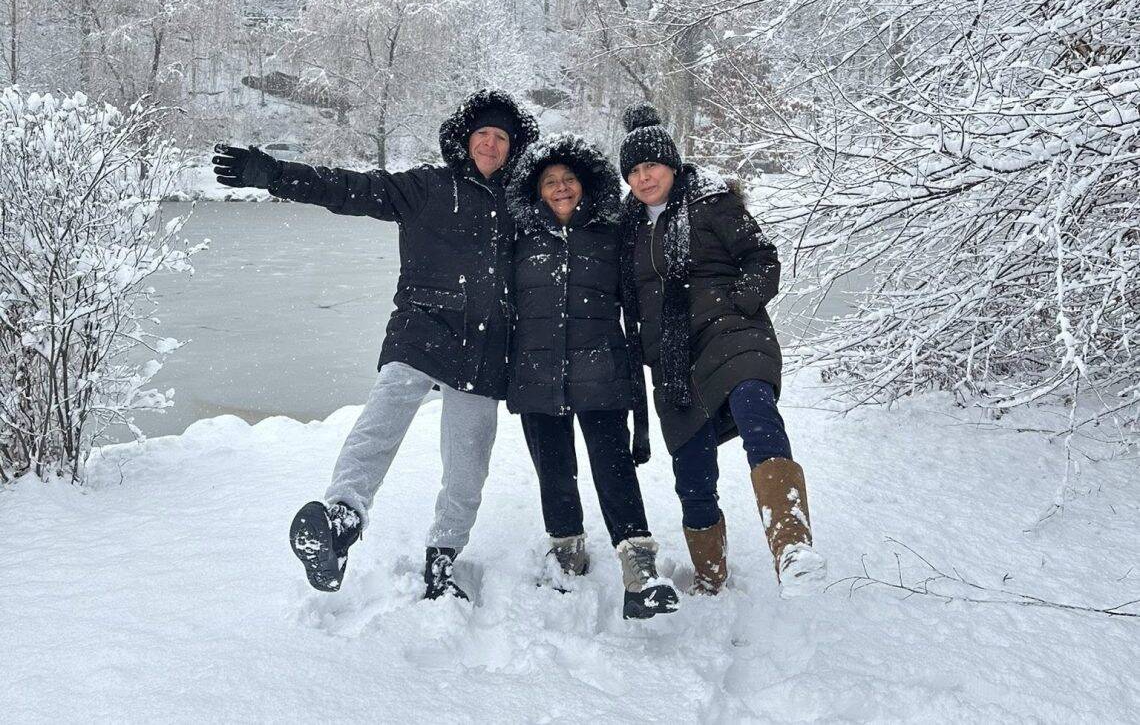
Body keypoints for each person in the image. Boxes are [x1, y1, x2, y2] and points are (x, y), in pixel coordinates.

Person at [212, 89, 539, 600]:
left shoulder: (523, 203)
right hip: (423, 325)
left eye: (501, 138)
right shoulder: (428, 187)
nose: (491, 146)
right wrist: (274, 175)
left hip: (488, 343)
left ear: (512, 147)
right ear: (466, 140)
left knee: (469, 463)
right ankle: (341, 519)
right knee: (383, 416)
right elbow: (348, 189)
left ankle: (442, 559)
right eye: (483, 136)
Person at [615, 104, 827, 597]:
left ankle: (791, 546)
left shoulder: (711, 202)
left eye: (653, 166)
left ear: (672, 165)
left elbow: (762, 258)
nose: (645, 178)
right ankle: (710, 576)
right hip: (672, 358)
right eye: (635, 171)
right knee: (691, 468)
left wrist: (739, 302)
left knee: (756, 408)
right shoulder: (624, 228)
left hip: (731, 330)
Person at [505, 133, 680, 620]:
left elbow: (638, 301)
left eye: (569, 180)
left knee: (613, 468)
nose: (561, 188)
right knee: (554, 470)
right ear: (536, 191)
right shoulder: (518, 240)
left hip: (601, 371)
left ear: (585, 185)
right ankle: (566, 552)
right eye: (550, 182)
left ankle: (640, 568)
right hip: (536, 373)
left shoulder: (611, 236)